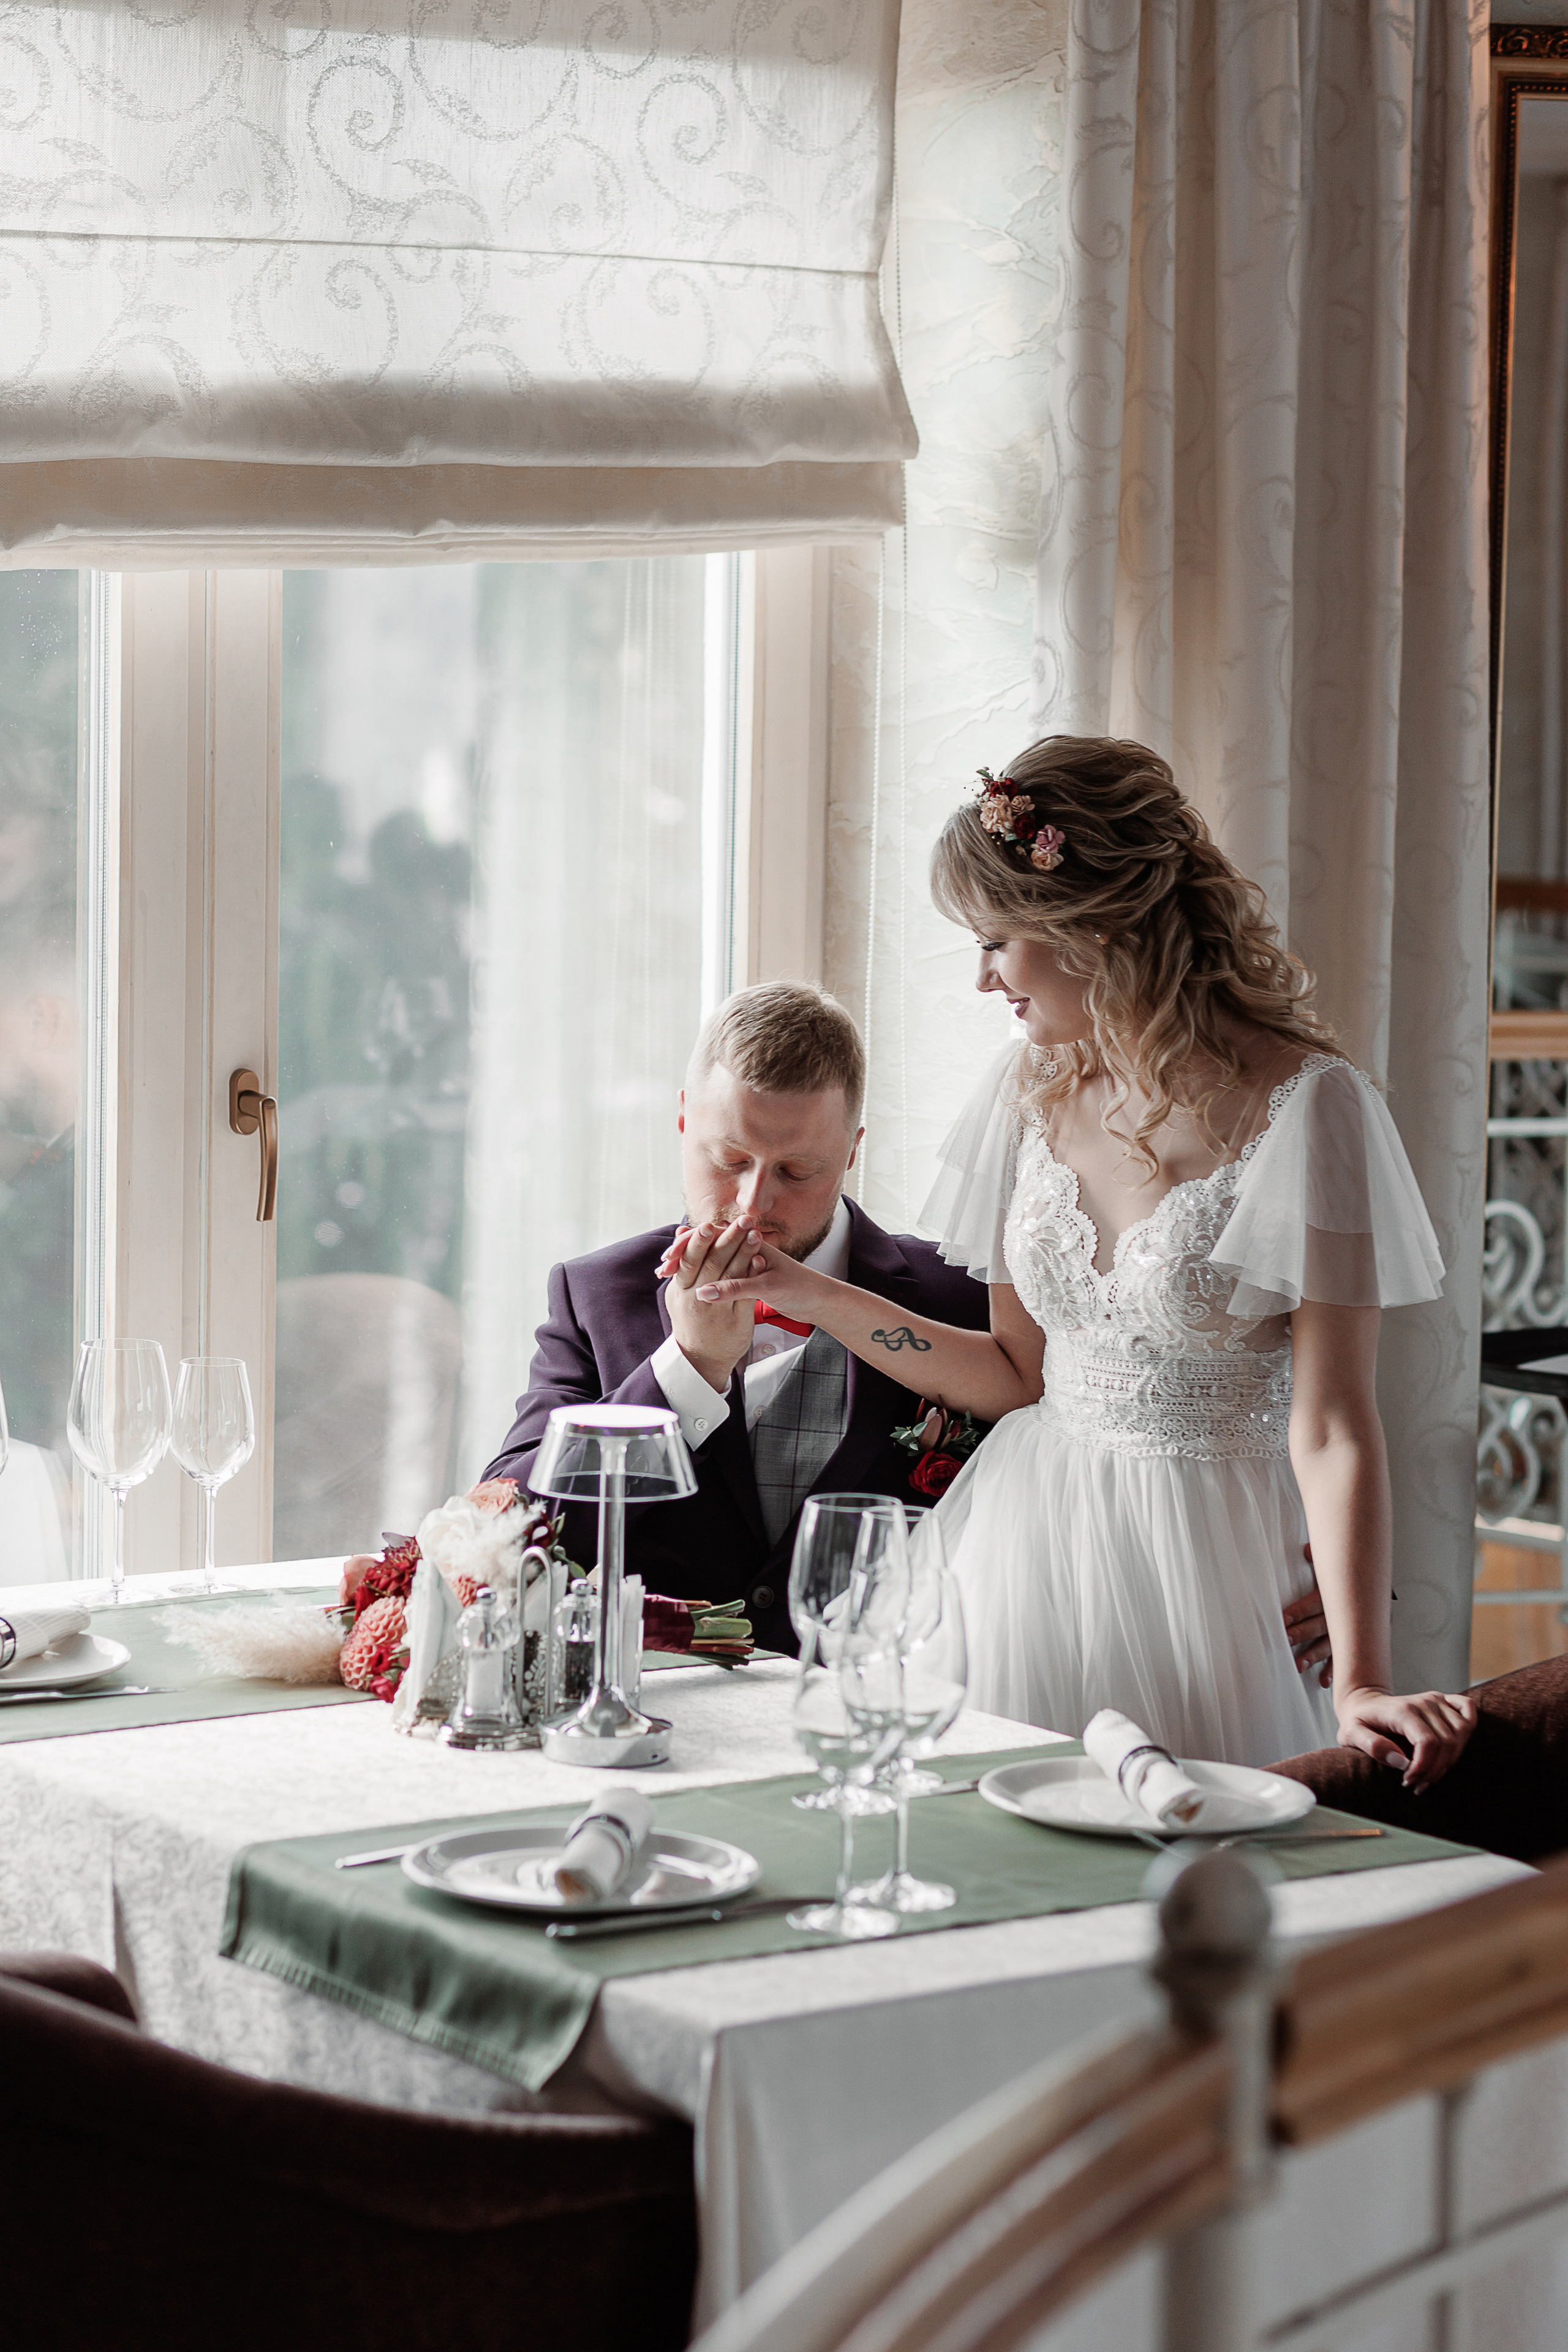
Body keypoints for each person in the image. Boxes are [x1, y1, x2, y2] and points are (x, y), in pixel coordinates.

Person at [689, 739, 1476, 1785]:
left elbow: (1333, 1422)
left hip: (1213, 1556)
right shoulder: (1028, 1091)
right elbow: (1016, 1372)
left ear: (1091, 926)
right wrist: (803, 1290)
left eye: (996, 941)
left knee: (1202, 1866)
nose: (981, 979)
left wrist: (1363, 1677)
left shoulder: (1313, 1109)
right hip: (1025, 1548)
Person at [482, 984, 992, 1654]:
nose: (753, 1203)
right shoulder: (595, 1292)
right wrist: (687, 1371)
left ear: (852, 1151)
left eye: (796, 1170)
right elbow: (507, 1528)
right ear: (684, 1120)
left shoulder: (964, 1298)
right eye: (729, 1161)